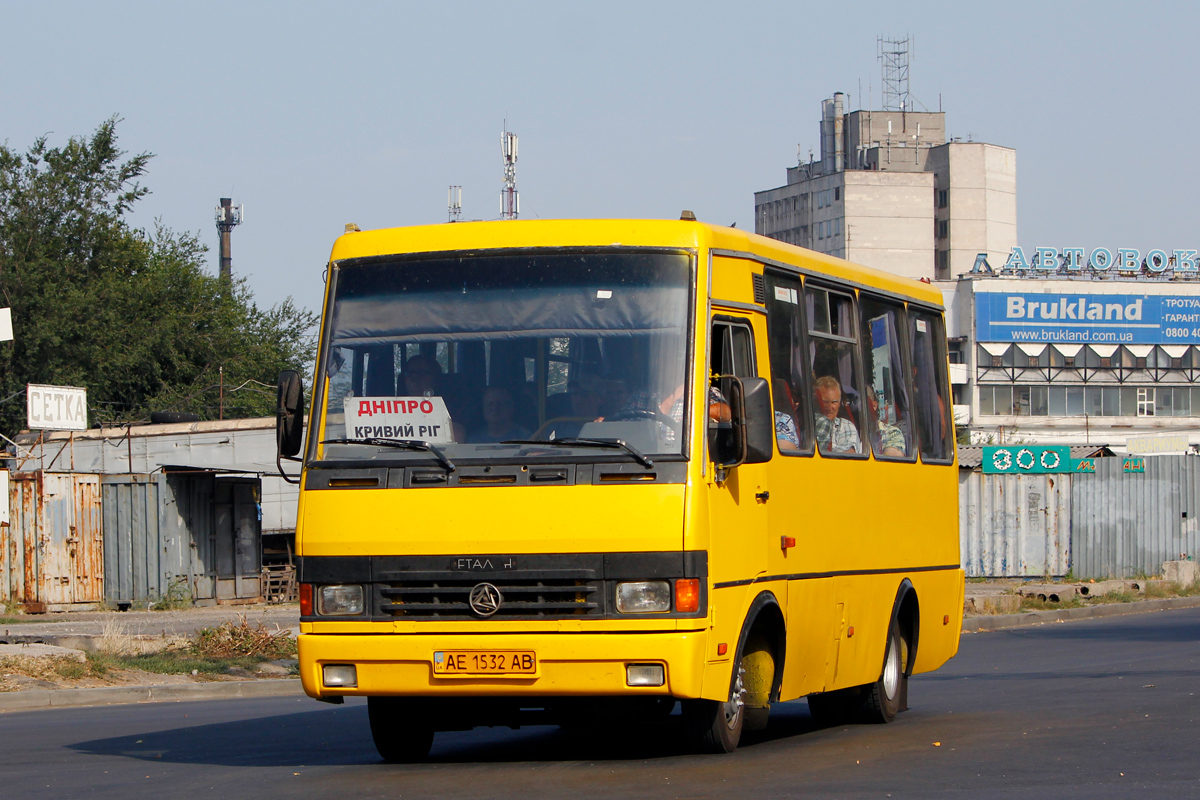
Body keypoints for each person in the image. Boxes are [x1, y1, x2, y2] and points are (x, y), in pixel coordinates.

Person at [813, 375, 861, 454]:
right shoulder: (808, 426)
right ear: (816, 401)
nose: (829, 407)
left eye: (834, 402)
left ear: (840, 403)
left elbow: (848, 455)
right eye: (825, 402)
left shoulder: (845, 426)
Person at [865, 383, 905, 457]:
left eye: (862, 403)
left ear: (874, 406)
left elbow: (892, 463)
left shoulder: (891, 433)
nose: (858, 407)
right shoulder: (846, 430)